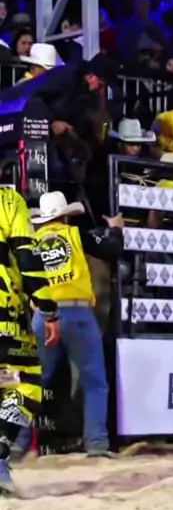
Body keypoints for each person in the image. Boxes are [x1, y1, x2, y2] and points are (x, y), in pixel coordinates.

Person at [30, 191, 124, 457]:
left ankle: (15, 444)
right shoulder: (75, 235)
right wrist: (115, 230)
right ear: (66, 217)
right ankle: (96, 444)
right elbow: (111, 249)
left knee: (34, 383)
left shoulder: (31, 243)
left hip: (43, 316)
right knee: (94, 381)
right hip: (78, 313)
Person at [0, 188, 60, 493]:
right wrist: (48, 310)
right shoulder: (8, 201)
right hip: (4, 314)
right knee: (25, 384)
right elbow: (28, 257)